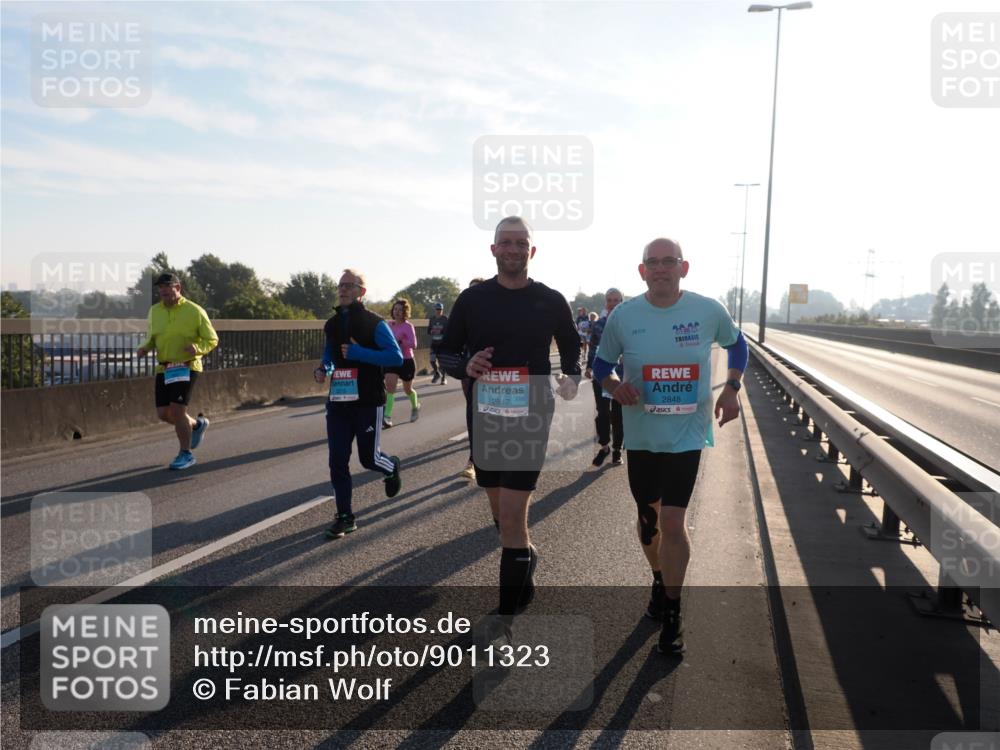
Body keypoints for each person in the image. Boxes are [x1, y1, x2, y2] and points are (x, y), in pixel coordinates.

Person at [593, 238, 748, 655]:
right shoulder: (624, 316)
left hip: (688, 434)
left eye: (669, 262)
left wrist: (731, 388)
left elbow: (737, 343)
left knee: (675, 522)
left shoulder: (707, 309)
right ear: (642, 271)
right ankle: (660, 578)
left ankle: (674, 612)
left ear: (684, 267)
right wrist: (614, 386)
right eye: (653, 263)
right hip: (641, 435)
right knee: (650, 520)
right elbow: (601, 364)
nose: (661, 269)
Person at [438, 216, 580, 639]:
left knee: (515, 515)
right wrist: (465, 364)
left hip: (532, 414)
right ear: (494, 250)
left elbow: (571, 344)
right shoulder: (473, 299)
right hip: (484, 415)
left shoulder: (551, 300)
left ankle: (504, 621)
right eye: (507, 242)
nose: (515, 249)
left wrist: (571, 374)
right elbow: (445, 351)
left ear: (532, 251)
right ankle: (524, 560)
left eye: (522, 243)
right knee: (501, 512)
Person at [313, 269, 404, 539]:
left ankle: (392, 467)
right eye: (340, 285)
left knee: (369, 459)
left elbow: (395, 357)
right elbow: (329, 355)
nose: (342, 290)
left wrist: (358, 353)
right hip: (339, 401)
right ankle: (345, 516)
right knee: (337, 460)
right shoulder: (331, 324)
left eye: (349, 285)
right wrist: (323, 369)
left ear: (361, 292)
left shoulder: (374, 323)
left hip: (368, 401)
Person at [136, 272, 219, 471]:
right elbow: (152, 336)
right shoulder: (155, 311)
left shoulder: (195, 311)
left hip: (187, 366)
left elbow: (212, 339)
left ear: (178, 288)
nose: (163, 290)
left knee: (177, 410)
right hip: (164, 367)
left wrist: (197, 349)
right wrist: (144, 347)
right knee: (163, 413)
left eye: (167, 286)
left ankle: (186, 453)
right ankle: (197, 426)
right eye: (160, 287)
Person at [584, 288, 624, 467]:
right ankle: (604, 446)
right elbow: (592, 348)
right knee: (602, 413)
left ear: (622, 302)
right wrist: (588, 367)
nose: (613, 303)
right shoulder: (598, 324)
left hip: (621, 375)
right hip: (601, 374)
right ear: (605, 303)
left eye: (616, 300)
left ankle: (617, 449)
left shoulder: (629, 324)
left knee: (618, 414)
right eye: (610, 300)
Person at [460, 278, 487, 480]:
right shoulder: (462, 318)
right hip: (469, 373)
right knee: (474, 412)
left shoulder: (495, 316)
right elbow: (450, 346)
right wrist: (463, 366)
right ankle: (473, 459)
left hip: (496, 376)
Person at [383, 298, 419, 428]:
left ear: (405, 312)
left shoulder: (408, 326)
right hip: (392, 360)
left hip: (407, 360)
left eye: (400, 310)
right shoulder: (389, 325)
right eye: (395, 309)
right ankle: (387, 416)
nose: (397, 312)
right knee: (390, 387)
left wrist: (402, 342)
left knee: (407, 389)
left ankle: (415, 406)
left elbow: (414, 344)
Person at [428, 302, 449, 385]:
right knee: (432, 360)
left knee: (442, 362)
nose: (438, 311)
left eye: (440, 309)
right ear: (435, 310)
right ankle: (437, 374)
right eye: (437, 309)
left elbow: (448, 330)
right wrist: (431, 331)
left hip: (442, 343)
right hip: (434, 343)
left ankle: (443, 378)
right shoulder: (432, 319)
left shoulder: (445, 319)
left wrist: (441, 331)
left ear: (442, 310)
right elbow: (428, 330)